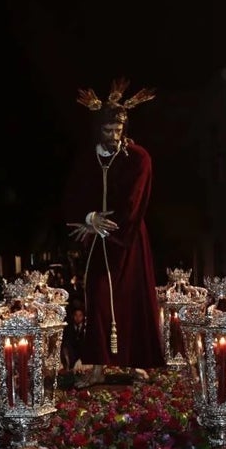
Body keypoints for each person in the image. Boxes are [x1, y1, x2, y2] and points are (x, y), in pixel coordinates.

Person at [66, 78, 163, 385]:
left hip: (129, 239)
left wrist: (114, 227)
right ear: (98, 130)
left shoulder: (137, 157)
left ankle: (136, 362)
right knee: (97, 297)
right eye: (107, 131)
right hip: (97, 239)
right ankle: (96, 365)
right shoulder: (86, 160)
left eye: (117, 131)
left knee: (132, 297)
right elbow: (73, 195)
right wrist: (89, 216)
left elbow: (136, 199)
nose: (113, 136)